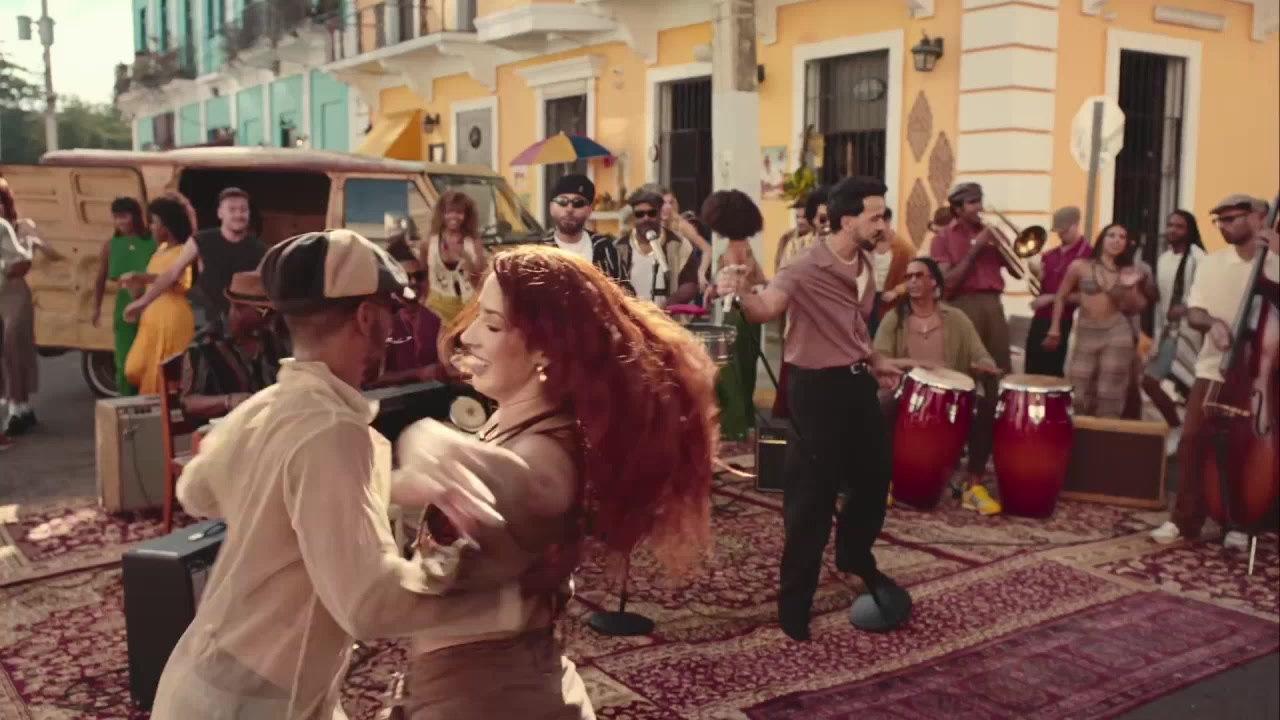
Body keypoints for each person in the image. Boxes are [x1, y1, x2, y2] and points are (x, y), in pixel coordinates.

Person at [152, 229, 524, 718]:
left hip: (210, 675)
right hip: (257, 702)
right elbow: (368, 603)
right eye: (391, 314)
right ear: (367, 317)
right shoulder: (331, 429)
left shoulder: (270, 402)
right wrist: (507, 603)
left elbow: (198, 490)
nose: (393, 329)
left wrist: (386, 489)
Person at [392, 244, 718, 718]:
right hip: (466, 688)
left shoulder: (546, 456)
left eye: (493, 325)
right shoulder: (508, 421)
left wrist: (425, 439)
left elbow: (528, 482)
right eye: (477, 316)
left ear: (546, 348)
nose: (469, 336)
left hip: (490, 701)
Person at [716, 175, 905, 642]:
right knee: (811, 499)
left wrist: (875, 358)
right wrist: (737, 292)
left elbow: (853, 326)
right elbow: (765, 307)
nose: (883, 225)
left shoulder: (865, 263)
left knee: (874, 476)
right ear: (847, 220)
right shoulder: (804, 266)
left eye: (883, 216)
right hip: (815, 389)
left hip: (856, 384)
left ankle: (853, 555)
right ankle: (794, 603)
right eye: (876, 217)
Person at [1151, 194, 1279, 549]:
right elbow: (1195, 311)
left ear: (1258, 218)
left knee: (1249, 448)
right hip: (1215, 366)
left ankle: (1245, 519)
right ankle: (1185, 519)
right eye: (1219, 220)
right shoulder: (1212, 263)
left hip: (1264, 372)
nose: (1223, 226)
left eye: (1231, 218)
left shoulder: (1276, 259)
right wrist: (1213, 324)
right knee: (1192, 439)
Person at [875, 258, 1002, 512]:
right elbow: (878, 359)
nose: (912, 281)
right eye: (908, 277)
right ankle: (884, 481)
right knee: (883, 405)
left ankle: (973, 486)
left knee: (986, 408)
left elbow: (980, 354)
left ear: (933, 281)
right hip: (907, 392)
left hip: (950, 399)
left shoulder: (956, 318)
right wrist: (914, 363)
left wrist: (984, 366)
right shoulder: (894, 318)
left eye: (918, 275)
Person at [1044, 223, 1153, 417]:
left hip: (1116, 332)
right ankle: (1080, 432)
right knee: (1077, 391)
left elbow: (1134, 308)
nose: (1116, 240)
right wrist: (1055, 327)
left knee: (1109, 393)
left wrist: (1130, 287)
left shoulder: (1127, 271)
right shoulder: (1080, 266)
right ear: (1102, 239)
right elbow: (1061, 296)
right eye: (1112, 235)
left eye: (1122, 237)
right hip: (1087, 332)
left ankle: (1105, 434)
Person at [931, 183, 1013, 426]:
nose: (979, 207)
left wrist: (1003, 246)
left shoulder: (991, 232)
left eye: (979, 201)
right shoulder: (943, 238)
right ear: (957, 208)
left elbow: (1017, 272)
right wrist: (976, 247)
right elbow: (946, 282)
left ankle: (995, 430)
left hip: (993, 305)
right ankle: (958, 430)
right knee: (963, 371)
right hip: (962, 306)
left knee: (999, 369)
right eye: (972, 202)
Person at [125, 187, 264, 328]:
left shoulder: (260, 250)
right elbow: (172, 273)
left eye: (243, 210)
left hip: (242, 323)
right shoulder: (201, 240)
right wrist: (143, 302)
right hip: (204, 320)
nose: (238, 215)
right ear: (220, 213)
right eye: (232, 210)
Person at [702, 190, 767, 442]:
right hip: (751, 313)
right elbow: (758, 280)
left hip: (735, 313)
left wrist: (713, 290)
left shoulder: (732, 249)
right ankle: (746, 420)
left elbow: (733, 282)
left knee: (732, 371)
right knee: (747, 369)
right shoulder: (747, 247)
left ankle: (736, 424)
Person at [0, 179, 63, 437]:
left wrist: (31, 243)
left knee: (14, 345)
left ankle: (19, 406)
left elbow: (52, 253)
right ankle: (14, 408)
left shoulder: (22, 226)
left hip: (15, 293)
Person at [179, 271, 286, 420]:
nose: (271, 318)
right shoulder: (205, 345)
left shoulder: (274, 338)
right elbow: (188, 403)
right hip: (226, 428)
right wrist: (228, 401)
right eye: (265, 312)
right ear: (239, 308)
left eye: (274, 312)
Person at [122, 194, 198, 396]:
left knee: (161, 377)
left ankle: (163, 413)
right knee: (134, 368)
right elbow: (152, 282)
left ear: (167, 226)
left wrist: (142, 276)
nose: (151, 227)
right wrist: (135, 287)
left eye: (155, 222)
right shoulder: (160, 250)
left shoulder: (183, 251)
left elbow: (180, 281)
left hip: (172, 319)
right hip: (151, 318)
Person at [1142, 210, 1207, 448]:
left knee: (1191, 389)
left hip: (1191, 333)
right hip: (1167, 332)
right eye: (1170, 225)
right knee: (1150, 382)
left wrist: (1187, 307)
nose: (1172, 230)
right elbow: (1160, 298)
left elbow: (1207, 293)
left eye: (1179, 226)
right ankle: (1177, 427)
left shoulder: (1199, 258)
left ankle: (1193, 438)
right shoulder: (1164, 259)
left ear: (1189, 230)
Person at [772, 187, 830, 420]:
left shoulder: (850, 250)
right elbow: (784, 282)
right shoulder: (796, 245)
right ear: (814, 220)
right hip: (802, 325)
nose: (827, 224)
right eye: (822, 219)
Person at [91, 197, 157, 396]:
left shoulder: (153, 242)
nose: (120, 222)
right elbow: (100, 278)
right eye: (116, 217)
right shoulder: (110, 245)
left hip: (151, 303)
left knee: (151, 357)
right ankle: (126, 400)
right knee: (125, 359)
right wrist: (96, 308)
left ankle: (153, 398)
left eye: (124, 216)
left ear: (136, 217)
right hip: (124, 306)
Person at [1024, 207, 1093, 377]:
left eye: (1064, 230)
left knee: (1052, 372)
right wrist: (1037, 274)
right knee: (1031, 370)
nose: (1060, 235)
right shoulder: (1049, 255)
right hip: (1040, 317)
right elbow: (1043, 284)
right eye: (1058, 231)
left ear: (1076, 225)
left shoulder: (1087, 254)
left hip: (1064, 320)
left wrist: (1050, 298)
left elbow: (1087, 296)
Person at [372, 248, 447, 388]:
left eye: (419, 276)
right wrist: (417, 374)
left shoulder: (439, 318)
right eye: (405, 277)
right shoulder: (378, 321)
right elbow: (369, 380)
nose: (413, 281)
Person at [540, 173, 627, 288]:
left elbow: (625, 292)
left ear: (589, 210)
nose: (569, 209)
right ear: (551, 207)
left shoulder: (606, 249)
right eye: (562, 202)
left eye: (578, 203)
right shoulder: (539, 250)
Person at [617, 190, 700, 307]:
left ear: (660, 214)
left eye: (651, 213)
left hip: (666, 315)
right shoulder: (620, 247)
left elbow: (690, 283)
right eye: (640, 214)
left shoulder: (679, 245)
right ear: (633, 217)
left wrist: (668, 305)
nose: (646, 218)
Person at [421, 191, 487, 326]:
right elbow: (424, 275)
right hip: (437, 306)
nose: (453, 216)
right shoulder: (429, 242)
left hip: (467, 306)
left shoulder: (473, 242)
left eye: (459, 212)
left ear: (466, 215)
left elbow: (481, 280)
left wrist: (468, 260)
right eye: (449, 212)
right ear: (441, 214)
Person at [869, 207, 917, 338]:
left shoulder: (904, 248)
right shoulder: (867, 245)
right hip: (869, 299)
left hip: (891, 302)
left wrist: (896, 291)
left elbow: (914, 278)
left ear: (888, 221)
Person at [774, 197, 814, 274]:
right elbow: (778, 266)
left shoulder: (820, 238)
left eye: (804, 217)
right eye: (797, 217)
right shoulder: (786, 238)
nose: (800, 221)